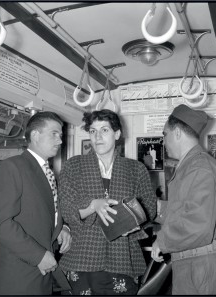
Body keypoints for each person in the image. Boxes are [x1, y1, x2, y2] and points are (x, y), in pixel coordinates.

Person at [58, 109, 157, 295]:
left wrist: (136, 221)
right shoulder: (73, 166)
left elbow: (149, 207)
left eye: (104, 130)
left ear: (117, 134)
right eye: (93, 131)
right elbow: (66, 209)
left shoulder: (136, 169)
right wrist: (94, 205)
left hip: (122, 257)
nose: (97, 137)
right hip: (82, 257)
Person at [151, 104, 216, 295]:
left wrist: (162, 241)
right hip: (193, 262)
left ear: (178, 133)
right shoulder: (190, 166)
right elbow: (186, 209)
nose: (164, 141)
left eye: (165, 134)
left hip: (202, 265)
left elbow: (198, 223)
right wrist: (154, 208)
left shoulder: (200, 166)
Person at [0, 111, 72, 295]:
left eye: (61, 135)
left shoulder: (47, 172)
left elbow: (45, 214)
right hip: (17, 276)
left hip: (41, 273)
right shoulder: (11, 167)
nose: (60, 141)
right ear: (35, 135)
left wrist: (62, 228)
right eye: (54, 134)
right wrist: (39, 256)